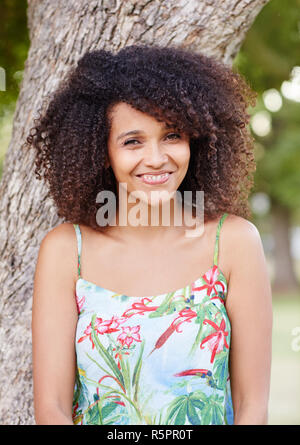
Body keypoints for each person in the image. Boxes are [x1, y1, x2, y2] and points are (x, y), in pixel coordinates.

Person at [26, 45, 273, 425]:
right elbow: (52, 409)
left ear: (196, 140)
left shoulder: (235, 243)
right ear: (100, 149)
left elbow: (252, 406)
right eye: (133, 141)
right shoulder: (65, 251)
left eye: (172, 135)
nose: (156, 158)